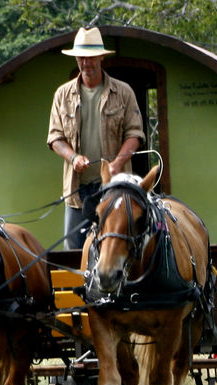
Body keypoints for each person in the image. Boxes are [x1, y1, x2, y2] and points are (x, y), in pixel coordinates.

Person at [47, 27, 145, 249]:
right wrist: (73, 158)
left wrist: (117, 164)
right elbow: (55, 138)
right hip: (77, 192)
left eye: (90, 58)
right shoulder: (63, 95)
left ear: (101, 57)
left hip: (114, 188)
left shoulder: (123, 92)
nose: (86, 63)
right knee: (74, 251)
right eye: (81, 58)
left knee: (115, 247)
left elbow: (135, 135)